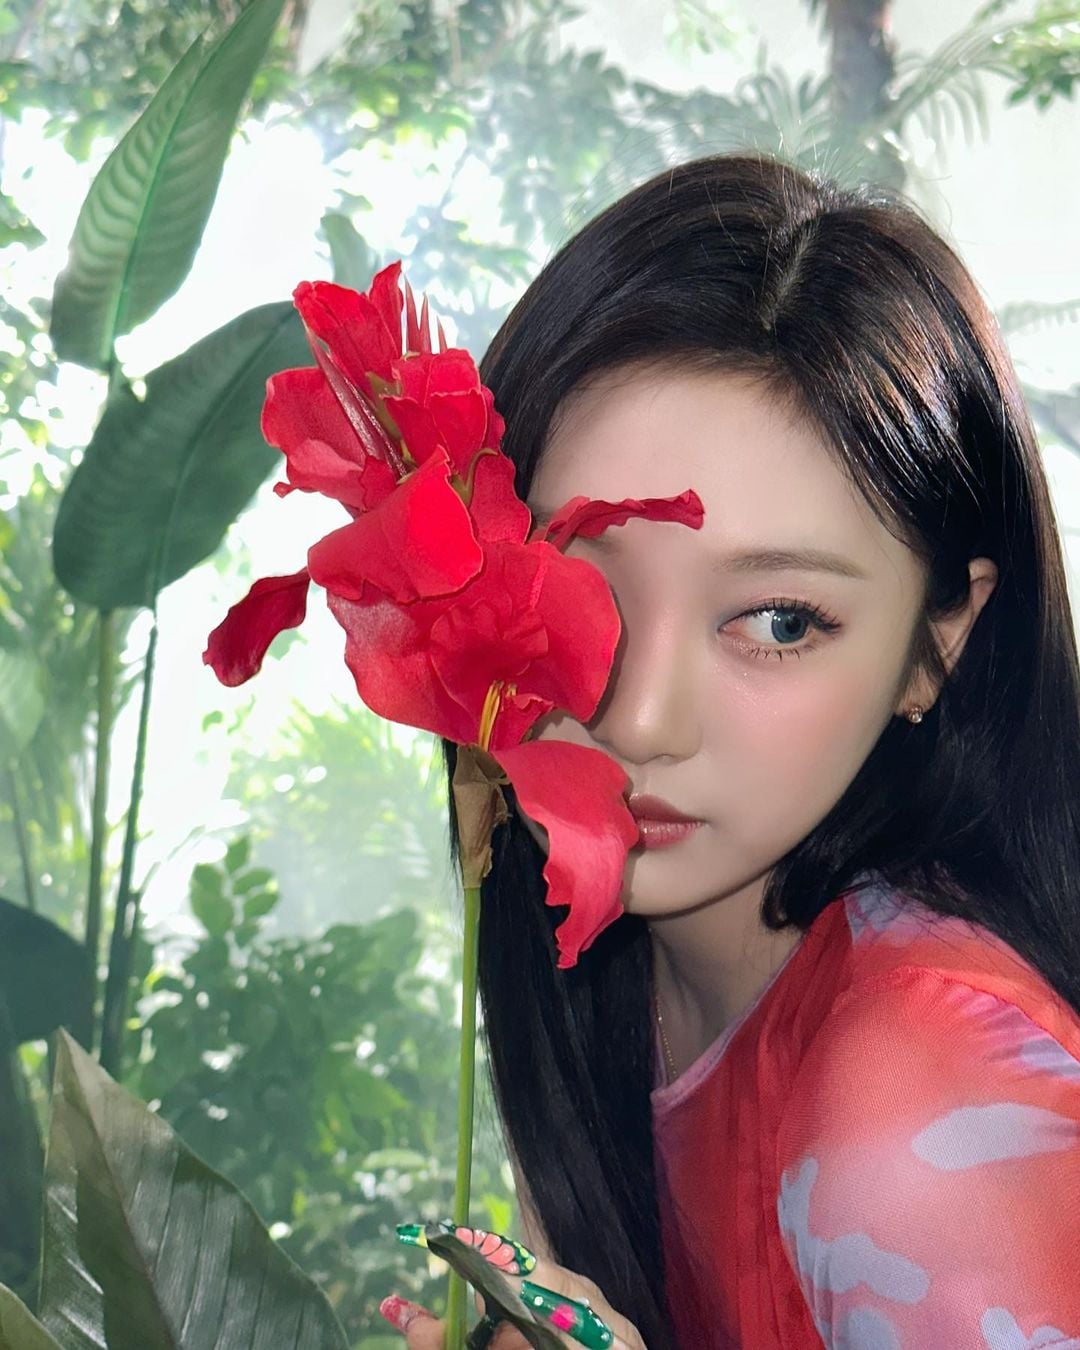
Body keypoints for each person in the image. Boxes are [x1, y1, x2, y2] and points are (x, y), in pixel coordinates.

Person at [384, 153, 1080, 1348]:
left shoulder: (917, 1110)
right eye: (576, 589)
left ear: (937, 646)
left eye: (781, 623)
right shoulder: (635, 983)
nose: (643, 719)